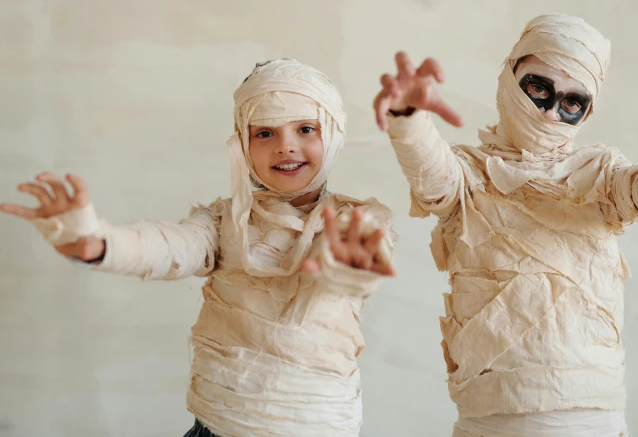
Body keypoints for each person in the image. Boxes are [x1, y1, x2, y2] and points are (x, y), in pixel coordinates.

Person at [372, 14, 638, 436]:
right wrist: (408, 118)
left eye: (571, 103)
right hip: (489, 421)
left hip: (590, 416)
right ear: (510, 78)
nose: (550, 114)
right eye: (538, 89)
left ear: (587, 110)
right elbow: (434, 177)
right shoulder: (470, 174)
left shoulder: (598, 175)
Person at [2, 58, 396, 437]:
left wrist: (351, 266)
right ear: (242, 144)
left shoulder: (360, 221)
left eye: (306, 129)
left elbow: (360, 265)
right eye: (264, 133)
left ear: (335, 132)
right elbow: (170, 246)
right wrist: (97, 241)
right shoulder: (223, 221)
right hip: (215, 425)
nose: (285, 146)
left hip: (319, 425)